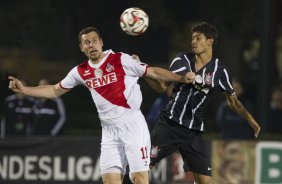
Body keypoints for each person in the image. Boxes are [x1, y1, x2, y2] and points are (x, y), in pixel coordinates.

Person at [8, 27, 195, 184]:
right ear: (82, 47)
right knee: (110, 181)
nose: (91, 45)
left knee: (139, 178)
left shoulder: (120, 59)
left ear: (101, 42)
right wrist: (25, 90)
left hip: (133, 126)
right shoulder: (80, 71)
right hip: (109, 132)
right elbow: (55, 90)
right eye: (86, 42)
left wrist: (181, 78)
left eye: (94, 40)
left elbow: (152, 72)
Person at [148, 22, 261, 184]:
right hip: (169, 125)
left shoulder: (220, 71)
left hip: (193, 133)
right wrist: (146, 75)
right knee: (143, 167)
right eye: (192, 38)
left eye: (198, 38)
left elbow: (234, 102)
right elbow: (161, 87)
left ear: (210, 41)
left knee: (205, 181)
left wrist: (250, 119)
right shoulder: (181, 59)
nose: (193, 41)